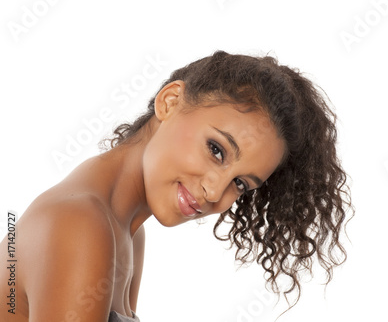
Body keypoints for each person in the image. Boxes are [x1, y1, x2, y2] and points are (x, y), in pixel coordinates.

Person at [0, 51, 352, 321]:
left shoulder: (126, 232)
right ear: (170, 102)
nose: (215, 193)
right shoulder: (80, 224)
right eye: (217, 150)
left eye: (241, 184)